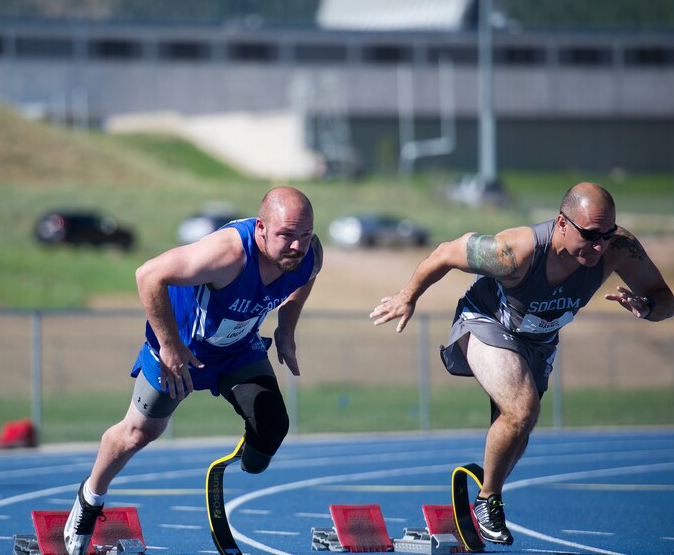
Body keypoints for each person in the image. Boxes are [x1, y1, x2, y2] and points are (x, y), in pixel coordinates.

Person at [369, 182, 672, 546]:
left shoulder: (619, 249)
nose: (598, 246)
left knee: (521, 426)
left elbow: (665, 299)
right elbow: (444, 253)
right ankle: (487, 500)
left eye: (606, 235)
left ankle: (489, 481)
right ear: (562, 223)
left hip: (540, 341)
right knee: (523, 408)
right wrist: (407, 297)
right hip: (487, 321)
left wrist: (649, 307)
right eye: (590, 235)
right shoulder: (514, 252)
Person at [63, 186, 322, 555]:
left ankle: (246, 448)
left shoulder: (309, 254)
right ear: (261, 228)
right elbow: (148, 275)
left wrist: (287, 328)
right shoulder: (227, 254)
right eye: (286, 236)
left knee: (272, 428)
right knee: (138, 433)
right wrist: (169, 346)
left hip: (238, 350)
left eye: (305, 235)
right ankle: (89, 499)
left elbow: (305, 277)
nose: (297, 247)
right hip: (181, 349)